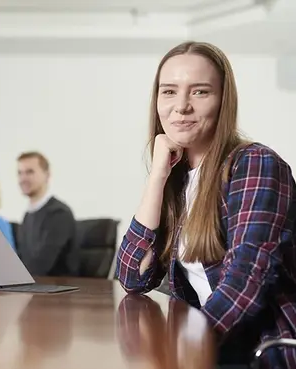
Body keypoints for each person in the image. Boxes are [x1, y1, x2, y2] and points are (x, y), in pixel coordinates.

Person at [116, 40, 296, 368]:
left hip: (262, 352)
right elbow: (132, 277)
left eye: (199, 92)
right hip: (215, 349)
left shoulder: (254, 164)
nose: (181, 106)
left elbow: (246, 279)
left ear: (223, 101)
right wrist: (157, 176)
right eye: (169, 91)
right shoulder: (179, 178)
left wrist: (185, 348)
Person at [16, 151, 77, 276]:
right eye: (20, 173)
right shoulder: (27, 215)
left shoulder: (59, 214)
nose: (23, 178)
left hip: (58, 291)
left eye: (30, 172)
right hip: (33, 288)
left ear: (47, 175)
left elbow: (41, 265)